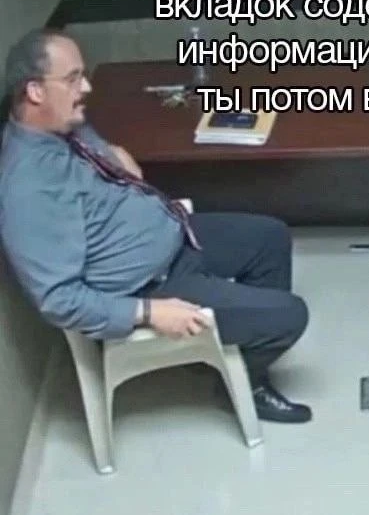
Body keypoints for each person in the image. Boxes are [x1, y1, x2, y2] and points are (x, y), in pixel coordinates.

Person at [0, 28, 312, 423]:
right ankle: (241, 375)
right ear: (35, 92)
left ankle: (245, 366)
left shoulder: (61, 125)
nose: (87, 87)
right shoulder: (28, 187)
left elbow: (103, 159)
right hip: (149, 286)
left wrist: (116, 155)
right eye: (73, 78)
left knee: (270, 238)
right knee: (290, 315)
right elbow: (59, 300)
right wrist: (148, 312)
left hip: (174, 237)